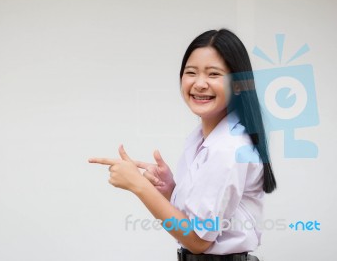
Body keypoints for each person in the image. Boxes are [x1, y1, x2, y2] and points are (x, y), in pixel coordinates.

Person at [88, 29, 277, 261]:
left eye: (213, 74)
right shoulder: (201, 137)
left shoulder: (228, 147)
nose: (199, 84)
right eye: (191, 72)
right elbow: (196, 222)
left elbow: (197, 240)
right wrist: (170, 190)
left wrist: (139, 186)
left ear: (238, 85)